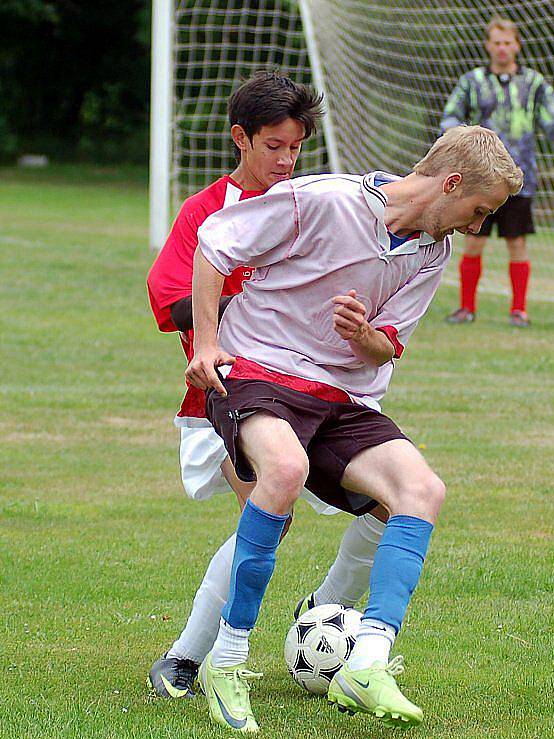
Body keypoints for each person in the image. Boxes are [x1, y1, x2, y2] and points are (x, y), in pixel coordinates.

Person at [186, 124, 523, 732]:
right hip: (260, 371)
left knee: (422, 491)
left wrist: (364, 336)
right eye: (479, 211)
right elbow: (215, 241)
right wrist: (207, 343)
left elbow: (386, 346)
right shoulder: (327, 200)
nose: (477, 228)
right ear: (450, 184)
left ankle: (366, 663)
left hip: (341, 397)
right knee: (285, 471)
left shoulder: (430, 252)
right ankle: (226, 660)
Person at [145, 71, 388, 701]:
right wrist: (250, 301)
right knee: (269, 514)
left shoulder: (313, 204)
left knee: (396, 504)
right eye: (273, 146)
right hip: (226, 399)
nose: (285, 160)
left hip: (314, 401)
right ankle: (186, 660)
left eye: (295, 148)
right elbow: (170, 295)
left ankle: (324, 616)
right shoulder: (207, 214)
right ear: (240, 140)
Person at [440, 16, 554, 327]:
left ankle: (519, 309)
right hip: (479, 178)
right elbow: (451, 115)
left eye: (508, 43)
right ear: (488, 46)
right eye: (496, 43)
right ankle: (466, 307)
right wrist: (456, 143)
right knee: (474, 238)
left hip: (519, 179)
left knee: (517, 242)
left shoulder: (533, 83)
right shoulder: (472, 81)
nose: (502, 49)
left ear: (517, 46)